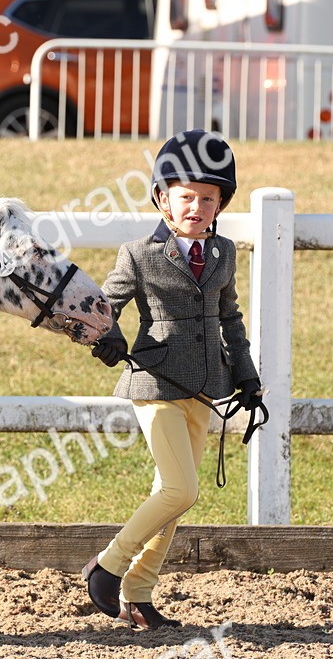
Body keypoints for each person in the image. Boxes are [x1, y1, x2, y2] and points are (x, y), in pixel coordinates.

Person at [82, 129, 264, 630]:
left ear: (220, 203)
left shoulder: (224, 252)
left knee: (171, 494)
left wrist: (247, 378)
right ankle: (108, 565)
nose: (197, 207)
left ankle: (138, 594)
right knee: (182, 491)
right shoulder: (137, 255)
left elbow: (231, 319)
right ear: (162, 199)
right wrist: (107, 337)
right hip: (155, 383)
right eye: (187, 197)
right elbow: (103, 307)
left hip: (207, 387)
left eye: (209, 199)